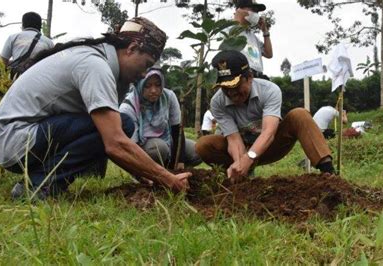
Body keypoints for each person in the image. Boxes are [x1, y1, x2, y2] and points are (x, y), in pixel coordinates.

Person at [0, 17, 191, 200]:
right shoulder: (95, 65)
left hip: (18, 139)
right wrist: (165, 177)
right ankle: (39, 186)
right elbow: (114, 143)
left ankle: (41, 181)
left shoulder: (107, 66)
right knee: (122, 125)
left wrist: (143, 174)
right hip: (14, 140)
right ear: (131, 48)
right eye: (146, 64)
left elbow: (113, 139)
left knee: (121, 124)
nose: (144, 74)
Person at [195, 50, 334, 182]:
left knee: (299, 115)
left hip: (270, 146)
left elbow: (269, 133)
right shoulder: (217, 103)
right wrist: (241, 163)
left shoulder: (270, 91)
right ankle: (237, 177)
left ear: (249, 78)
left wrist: (250, 157)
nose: (232, 94)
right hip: (242, 147)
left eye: (236, 87)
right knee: (203, 144)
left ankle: (329, 173)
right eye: (225, 89)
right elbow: (233, 140)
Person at [119, 68, 201, 169]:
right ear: (140, 85)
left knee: (197, 151)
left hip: (166, 139)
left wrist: (179, 161)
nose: (153, 90)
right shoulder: (129, 106)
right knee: (159, 148)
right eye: (147, 86)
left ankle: (171, 170)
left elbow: (177, 130)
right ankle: (150, 172)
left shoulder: (168, 97)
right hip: (142, 146)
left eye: (158, 85)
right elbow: (132, 145)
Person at [233, 0, 272, 80]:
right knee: (274, 90)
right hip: (242, 77)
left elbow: (269, 54)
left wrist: (265, 31)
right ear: (240, 10)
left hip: (258, 77)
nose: (256, 14)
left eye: (257, 12)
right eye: (253, 10)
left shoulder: (252, 36)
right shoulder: (229, 30)